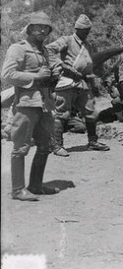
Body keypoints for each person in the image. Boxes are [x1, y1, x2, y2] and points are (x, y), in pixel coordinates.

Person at [1, 12, 59, 201]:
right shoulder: (18, 49)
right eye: (38, 27)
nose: (43, 30)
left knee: (45, 145)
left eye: (46, 28)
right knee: (20, 147)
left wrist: (52, 76)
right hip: (26, 104)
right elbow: (8, 75)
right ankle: (17, 190)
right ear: (29, 29)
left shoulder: (45, 51)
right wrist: (35, 76)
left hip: (44, 103)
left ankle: (36, 185)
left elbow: (46, 73)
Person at [47, 14, 110, 155]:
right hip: (67, 81)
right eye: (85, 31)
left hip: (83, 83)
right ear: (77, 29)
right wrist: (62, 65)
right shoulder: (67, 40)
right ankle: (57, 146)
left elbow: (89, 65)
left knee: (90, 111)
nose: (87, 33)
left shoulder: (87, 45)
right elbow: (49, 50)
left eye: (88, 30)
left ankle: (92, 141)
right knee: (63, 113)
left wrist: (92, 83)